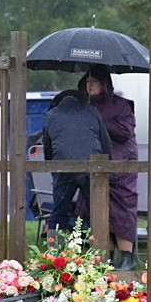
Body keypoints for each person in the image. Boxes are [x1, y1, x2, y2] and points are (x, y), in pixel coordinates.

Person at [77, 67, 140, 270]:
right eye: (87, 81)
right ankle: (108, 257)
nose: (90, 85)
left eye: (95, 81)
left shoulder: (120, 106)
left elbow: (125, 131)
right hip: (95, 166)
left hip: (121, 166)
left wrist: (99, 120)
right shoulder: (83, 106)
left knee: (122, 211)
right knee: (98, 211)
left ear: (104, 83)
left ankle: (127, 257)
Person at [40, 90, 112, 240]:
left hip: (63, 167)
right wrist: (106, 168)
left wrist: (54, 170)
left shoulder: (51, 116)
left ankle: (54, 253)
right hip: (92, 167)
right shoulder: (92, 112)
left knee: (59, 212)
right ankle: (101, 253)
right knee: (97, 211)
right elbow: (106, 143)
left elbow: (48, 148)